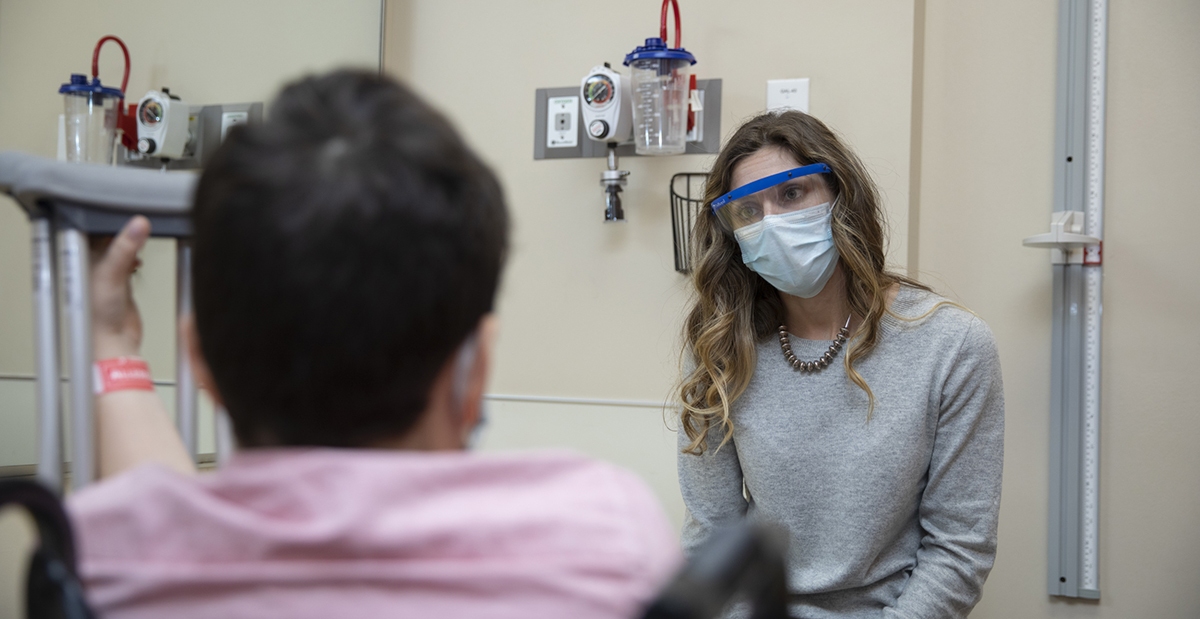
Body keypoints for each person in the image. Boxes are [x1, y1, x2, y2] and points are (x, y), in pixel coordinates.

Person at [68, 69, 681, 619]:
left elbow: (159, 527)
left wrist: (111, 343)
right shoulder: (603, 542)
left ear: (199, 363)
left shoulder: (102, 560)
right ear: (477, 369)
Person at [676, 111, 1004, 618]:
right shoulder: (721, 351)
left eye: (791, 194)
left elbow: (959, 550)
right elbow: (712, 544)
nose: (773, 223)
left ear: (840, 196)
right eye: (748, 210)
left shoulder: (952, 346)